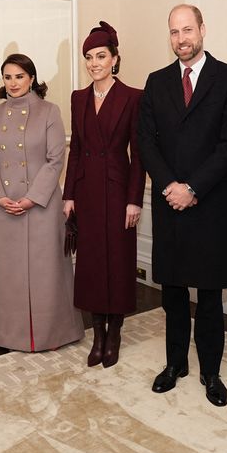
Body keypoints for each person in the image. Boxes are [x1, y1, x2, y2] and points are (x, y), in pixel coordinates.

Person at [137, 4, 227, 406]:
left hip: (211, 201)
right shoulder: (156, 81)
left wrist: (193, 188)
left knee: (211, 293)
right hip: (169, 202)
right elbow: (146, 140)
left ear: (202, 29)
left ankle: (211, 372)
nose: (181, 39)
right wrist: (170, 185)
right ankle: (174, 364)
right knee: (173, 290)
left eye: (187, 30)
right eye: (173, 32)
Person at [0, 53, 84, 352]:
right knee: (9, 274)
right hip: (5, 207)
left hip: (42, 205)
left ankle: (56, 333)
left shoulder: (50, 111)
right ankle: (9, 335)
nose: (13, 83)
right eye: (8, 77)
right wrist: (0, 196)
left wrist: (31, 198)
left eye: (19, 76)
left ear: (32, 78)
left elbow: (55, 160)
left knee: (48, 272)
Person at [63, 21, 146, 368]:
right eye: (88, 57)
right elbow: (76, 148)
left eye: (100, 56)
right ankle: (97, 334)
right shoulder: (78, 98)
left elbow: (139, 153)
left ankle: (115, 334)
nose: (94, 63)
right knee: (92, 266)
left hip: (117, 190)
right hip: (86, 192)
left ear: (114, 58)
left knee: (118, 264)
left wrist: (135, 199)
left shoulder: (133, 97)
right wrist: (68, 194)